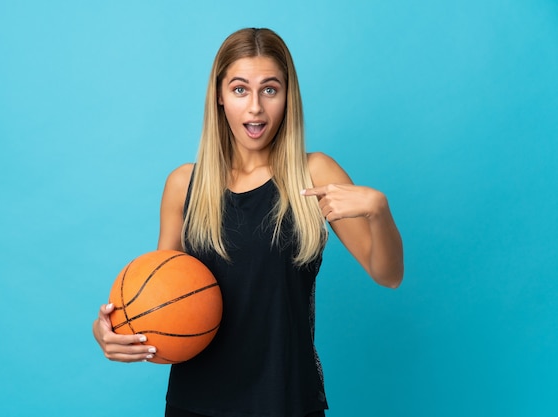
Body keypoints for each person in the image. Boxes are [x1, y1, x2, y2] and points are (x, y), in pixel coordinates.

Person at [93, 27, 404, 417]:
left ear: (287, 97)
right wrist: (109, 331)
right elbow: (157, 302)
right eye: (240, 89)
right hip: (195, 404)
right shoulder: (183, 185)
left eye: (270, 89)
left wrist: (380, 211)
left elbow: (388, 274)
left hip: (286, 401)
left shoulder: (314, 173)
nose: (255, 107)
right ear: (220, 97)